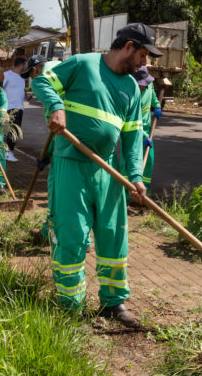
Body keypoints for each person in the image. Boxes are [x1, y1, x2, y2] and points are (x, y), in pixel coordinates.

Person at [31, 23, 162, 327]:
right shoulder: (82, 64)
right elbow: (42, 82)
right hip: (71, 164)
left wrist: (135, 176)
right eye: (143, 55)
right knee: (72, 234)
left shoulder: (131, 87)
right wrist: (55, 106)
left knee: (113, 236)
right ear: (128, 47)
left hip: (108, 170)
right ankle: (71, 306)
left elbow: (132, 137)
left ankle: (113, 302)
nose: (145, 63)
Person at [134, 65, 162, 194]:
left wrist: (157, 106)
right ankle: (128, 192)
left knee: (148, 159)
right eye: (142, 85)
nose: (144, 86)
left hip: (147, 130)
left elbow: (152, 94)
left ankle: (145, 191)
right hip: (133, 132)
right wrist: (143, 136)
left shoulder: (148, 84)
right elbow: (131, 122)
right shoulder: (131, 94)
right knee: (131, 161)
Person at [2, 57, 28, 161]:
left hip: (20, 108)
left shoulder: (22, 77)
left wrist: (27, 96)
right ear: (21, 65)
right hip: (9, 107)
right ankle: (8, 153)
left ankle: (8, 152)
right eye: (26, 64)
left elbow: (20, 91)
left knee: (15, 131)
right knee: (12, 131)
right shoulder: (7, 75)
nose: (26, 66)